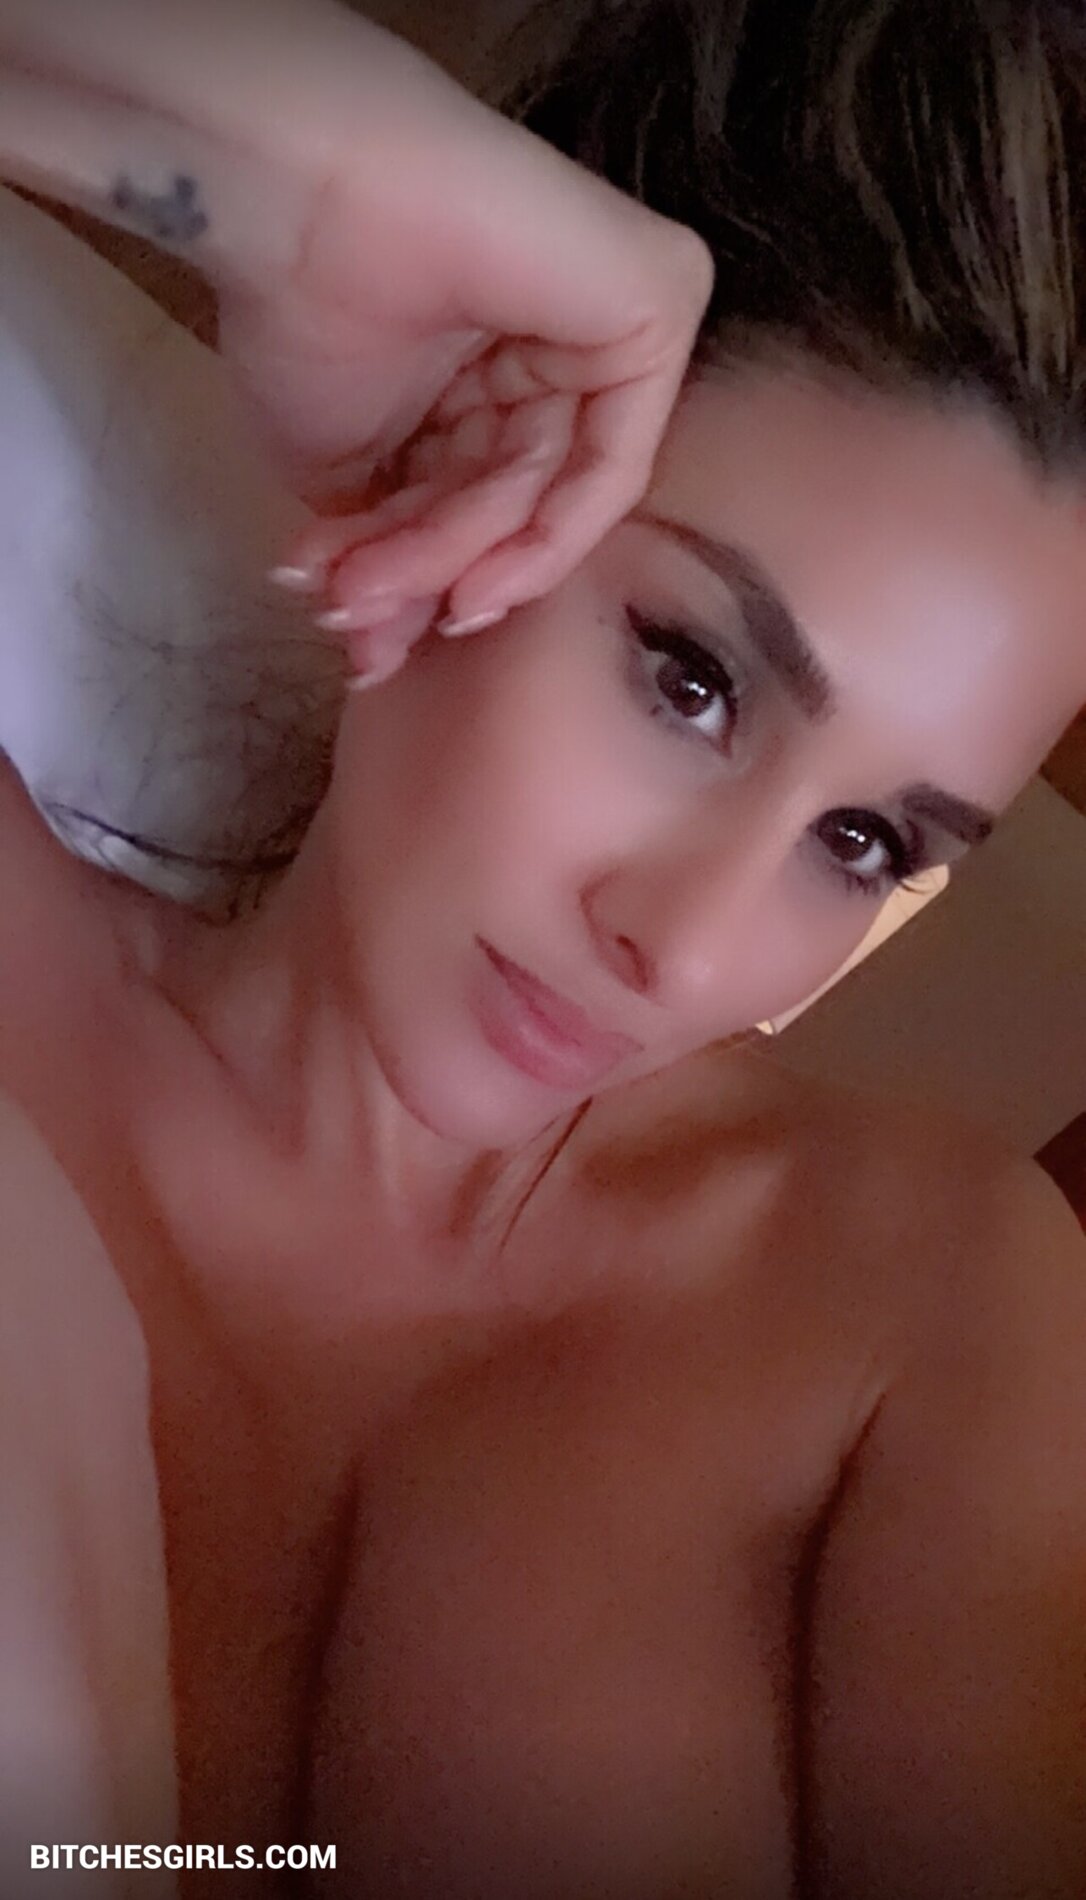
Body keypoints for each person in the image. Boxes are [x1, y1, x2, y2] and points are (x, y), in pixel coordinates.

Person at [0, 0, 1084, 1895]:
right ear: (463, 425)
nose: (684, 953)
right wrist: (298, 187)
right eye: (689, 678)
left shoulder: (921, 1304)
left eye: (864, 845)